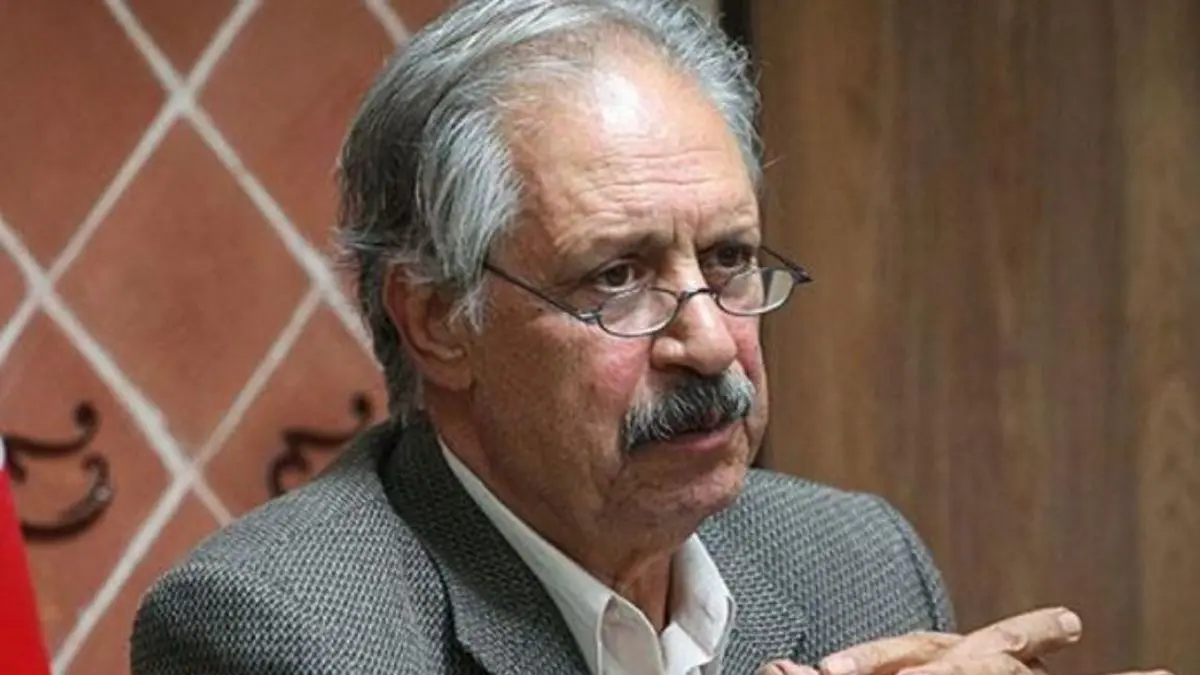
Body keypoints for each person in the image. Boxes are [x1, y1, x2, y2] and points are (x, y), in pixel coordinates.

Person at [130, 2, 1164, 674]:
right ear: (439, 320)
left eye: (729, 258)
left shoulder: (855, 558)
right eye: (617, 277)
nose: (709, 342)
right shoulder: (282, 627)